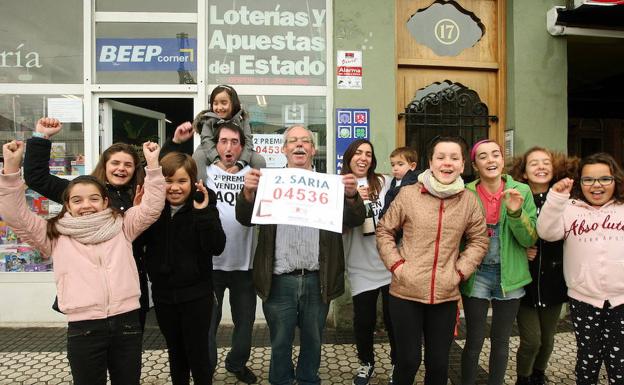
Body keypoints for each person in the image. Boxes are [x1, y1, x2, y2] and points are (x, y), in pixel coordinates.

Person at [0, 139, 165, 385]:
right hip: (84, 328)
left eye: (93, 199)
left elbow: (152, 207)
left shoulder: (123, 225)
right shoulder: (53, 234)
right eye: (77, 200)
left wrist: (153, 166)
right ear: (67, 205)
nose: (86, 205)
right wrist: (12, 170)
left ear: (105, 202)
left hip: (127, 322)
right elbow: (16, 215)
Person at [236, 125, 365, 385]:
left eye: (305, 141)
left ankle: (308, 380)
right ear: (283, 150)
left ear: (312, 149)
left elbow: (355, 218)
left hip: (318, 279)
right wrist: (248, 193)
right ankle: (281, 380)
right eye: (292, 141)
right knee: (280, 341)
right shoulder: (268, 183)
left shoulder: (330, 186)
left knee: (313, 341)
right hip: (279, 279)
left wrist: (351, 197)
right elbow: (245, 219)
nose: (299, 145)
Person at [377, 136, 489, 385]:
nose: (447, 163)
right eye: (440, 157)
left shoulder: (469, 200)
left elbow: (479, 240)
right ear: (430, 162)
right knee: (408, 361)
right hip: (405, 292)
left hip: (445, 295)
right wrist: (397, 266)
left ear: (462, 165)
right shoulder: (408, 194)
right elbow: (385, 230)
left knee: (438, 365)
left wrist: (459, 273)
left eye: (454, 158)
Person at [23, 117, 151, 329]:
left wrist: (139, 210)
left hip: (128, 287)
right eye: (115, 163)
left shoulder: (140, 195)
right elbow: (37, 177)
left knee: (128, 353)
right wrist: (42, 137)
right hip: (87, 294)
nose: (121, 168)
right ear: (105, 165)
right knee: (91, 352)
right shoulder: (82, 192)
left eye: (128, 164)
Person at [165, 121, 259, 383]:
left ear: (242, 147)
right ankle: (206, 371)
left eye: (235, 142)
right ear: (215, 145)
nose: (229, 147)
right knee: (207, 327)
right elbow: (169, 175)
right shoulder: (201, 172)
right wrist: (175, 143)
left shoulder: (254, 173)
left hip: (244, 265)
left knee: (245, 324)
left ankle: (237, 363)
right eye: (224, 141)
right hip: (210, 266)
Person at [537, 152, 624, 385]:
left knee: (620, 363)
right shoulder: (570, 209)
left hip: (622, 301)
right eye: (588, 180)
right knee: (588, 359)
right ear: (580, 182)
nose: (596, 185)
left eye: (605, 179)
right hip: (584, 300)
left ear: (615, 180)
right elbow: (546, 231)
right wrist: (555, 198)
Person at [141, 151, 226, 385]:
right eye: (168, 181)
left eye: (182, 181)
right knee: (175, 352)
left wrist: (203, 214)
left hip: (197, 296)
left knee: (198, 354)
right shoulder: (153, 209)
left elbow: (216, 247)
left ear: (193, 182)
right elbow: (136, 244)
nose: (175, 188)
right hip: (164, 296)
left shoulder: (204, 205)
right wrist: (140, 210)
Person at [460, 139, 537, 385]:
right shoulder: (465, 192)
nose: (490, 160)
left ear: (503, 161)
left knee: (501, 340)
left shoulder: (522, 191)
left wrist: (515, 212)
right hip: (477, 273)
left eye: (495, 154)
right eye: (483, 156)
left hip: (510, 274)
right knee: (474, 339)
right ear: (474, 165)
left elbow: (529, 238)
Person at [509, 147, 577, 385]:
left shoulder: (566, 200)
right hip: (524, 282)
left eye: (545, 162)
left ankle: (538, 374)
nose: (541, 166)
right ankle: (523, 377)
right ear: (524, 173)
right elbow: (506, 236)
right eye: (534, 163)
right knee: (532, 339)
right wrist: (521, 250)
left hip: (554, 281)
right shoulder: (518, 198)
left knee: (548, 339)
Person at [340, 139, 396, 385]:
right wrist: (351, 200)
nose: (363, 158)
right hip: (359, 265)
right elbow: (336, 228)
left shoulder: (383, 182)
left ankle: (397, 363)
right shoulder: (338, 184)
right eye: (358, 153)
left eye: (368, 154)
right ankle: (366, 362)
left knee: (394, 319)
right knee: (364, 320)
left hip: (388, 262)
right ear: (349, 156)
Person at [190, 84, 265, 174]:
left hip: (237, 151)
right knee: (198, 157)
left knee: (259, 160)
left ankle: (256, 187)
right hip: (211, 150)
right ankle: (200, 186)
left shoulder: (242, 120)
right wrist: (217, 161)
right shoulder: (209, 120)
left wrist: (240, 164)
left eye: (224, 103)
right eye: (215, 103)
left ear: (233, 103)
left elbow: (248, 142)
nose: (219, 107)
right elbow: (206, 141)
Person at [380, 146, 419, 219]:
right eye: (393, 165)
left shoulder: (413, 180)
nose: (395, 168)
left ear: (412, 166)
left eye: (400, 164)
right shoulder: (394, 181)